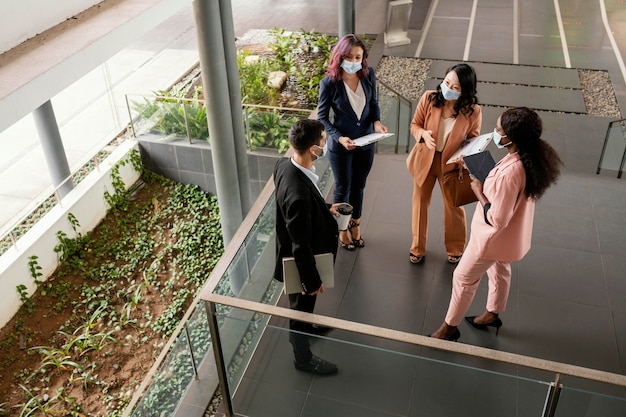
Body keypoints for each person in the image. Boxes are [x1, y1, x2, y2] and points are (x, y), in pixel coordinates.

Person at [430, 107, 562, 341]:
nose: (495, 133)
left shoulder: (510, 172)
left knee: (463, 278)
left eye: (499, 130)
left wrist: (479, 190)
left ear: (512, 137)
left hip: (491, 239)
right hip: (510, 238)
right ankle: (492, 312)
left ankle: (449, 328)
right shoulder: (527, 159)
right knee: (500, 268)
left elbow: (497, 218)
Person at [274, 118, 344, 375]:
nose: (326, 143)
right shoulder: (299, 197)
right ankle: (302, 358)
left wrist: (325, 209)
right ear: (314, 149)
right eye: (324, 140)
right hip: (302, 263)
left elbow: (298, 212)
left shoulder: (284, 165)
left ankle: (306, 328)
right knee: (301, 306)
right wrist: (312, 282)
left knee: (304, 309)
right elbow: (300, 246)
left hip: (297, 249)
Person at [317, 34, 388, 251]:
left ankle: (355, 224)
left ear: (363, 58)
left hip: (366, 142)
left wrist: (376, 122)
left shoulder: (369, 75)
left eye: (358, 57)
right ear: (340, 57)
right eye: (349, 57)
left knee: (359, 186)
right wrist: (338, 137)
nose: (353, 61)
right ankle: (342, 229)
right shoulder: (329, 83)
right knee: (342, 187)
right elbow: (322, 116)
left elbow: (374, 103)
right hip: (341, 145)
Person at [406, 63, 482, 265]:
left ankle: (456, 248)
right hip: (426, 159)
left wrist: (464, 155)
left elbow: (473, 140)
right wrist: (422, 134)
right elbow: (415, 125)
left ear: (465, 91)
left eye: (455, 87)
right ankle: (417, 247)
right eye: (447, 82)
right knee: (420, 203)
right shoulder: (429, 98)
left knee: (453, 206)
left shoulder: (473, 111)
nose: (448, 88)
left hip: (451, 165)